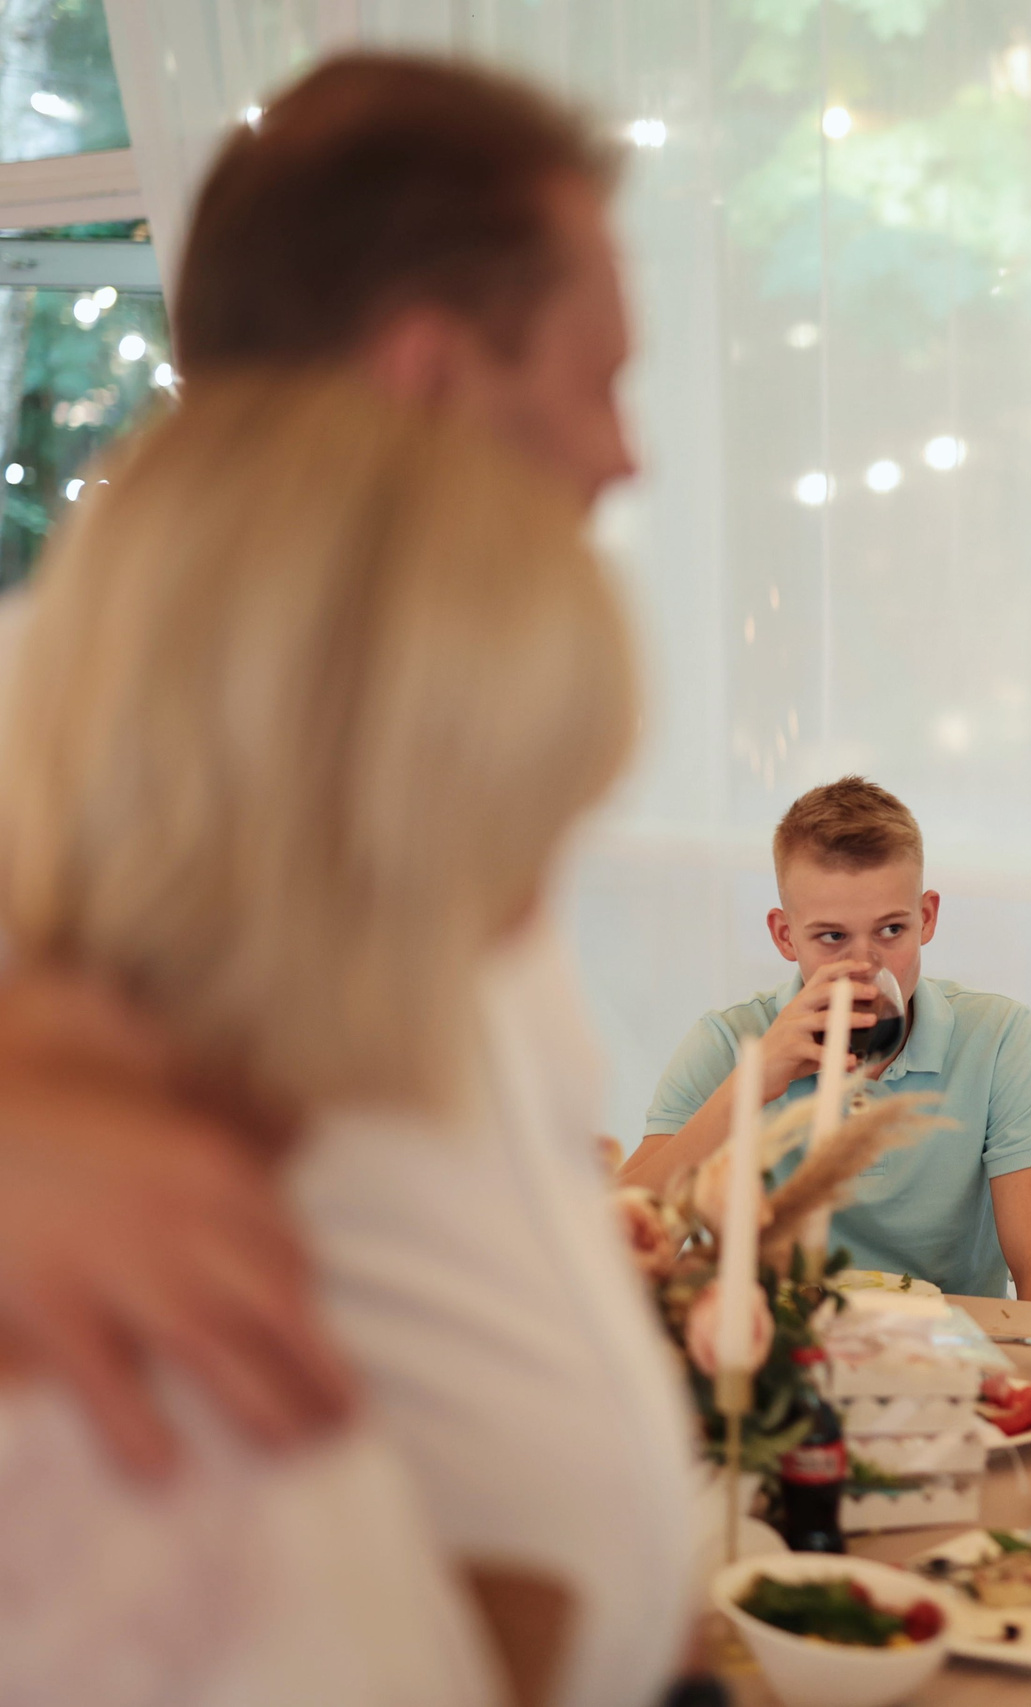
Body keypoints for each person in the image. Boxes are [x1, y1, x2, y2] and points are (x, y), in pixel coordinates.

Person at [0, 56, 700, 1707]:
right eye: (599, 378)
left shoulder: (439, 752)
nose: (626, 454)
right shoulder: (74, 727)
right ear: (433, 375)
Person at [624, 777, 1031, 1303]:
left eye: (890, 931)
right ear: (785, 936)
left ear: (925, 918)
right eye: (833, 937)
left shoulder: (999, 1038)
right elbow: (613, 1254)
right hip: (780, 1362)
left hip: (953, 1364)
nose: (864, 966)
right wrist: (752, 1083)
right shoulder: (729, 1041)